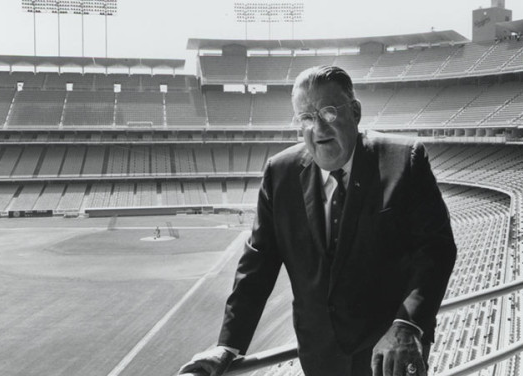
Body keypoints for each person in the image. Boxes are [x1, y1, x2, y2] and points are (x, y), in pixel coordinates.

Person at [178, 66, 457, 376]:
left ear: (355, 111)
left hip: (390, 355)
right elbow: (258, 266)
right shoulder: (279, 173)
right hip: (321, 361)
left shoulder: (404, 160)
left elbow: (436, 250)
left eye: (327, 112)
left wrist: (408, 325)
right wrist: (228, 345)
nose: (317, 128)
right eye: (306, 118)